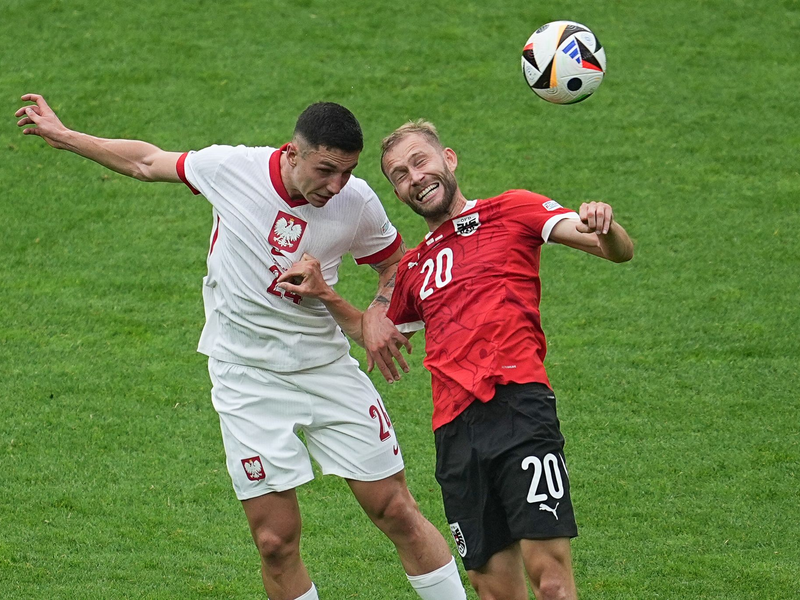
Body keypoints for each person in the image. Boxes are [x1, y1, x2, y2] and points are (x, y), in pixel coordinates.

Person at [15, 95, 466, 600]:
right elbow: (146, 162)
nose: (335, 185)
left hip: (325, 369)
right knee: (275, 541)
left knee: (396, 511)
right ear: (291, 155)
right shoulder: (231, 169)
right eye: (325, 171)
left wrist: (381, 311)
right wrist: (65, 135)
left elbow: (392, 262)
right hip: (246, 379)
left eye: (347, 171)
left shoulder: (355, 200)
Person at [374, 120, 634, 600]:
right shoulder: (413, 269)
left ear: (448, 159)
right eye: (399, 175)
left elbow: (614, 250)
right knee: (492, 590)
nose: (414, 177)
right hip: (454, 433)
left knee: (551, 581)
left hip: (519, 409)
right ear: (397, 192)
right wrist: (336, 298)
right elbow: (377, 333)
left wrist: (606, 224)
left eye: (420, 161)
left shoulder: (512, 209)